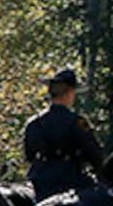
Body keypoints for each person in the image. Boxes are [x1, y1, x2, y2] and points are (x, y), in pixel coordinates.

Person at [22, 68, 104, 199]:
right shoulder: (77, 122)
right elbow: (94, 154)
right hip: (70, 179)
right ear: (70, 93)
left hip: (38, 179)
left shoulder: (33, 123)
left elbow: (29, 155)